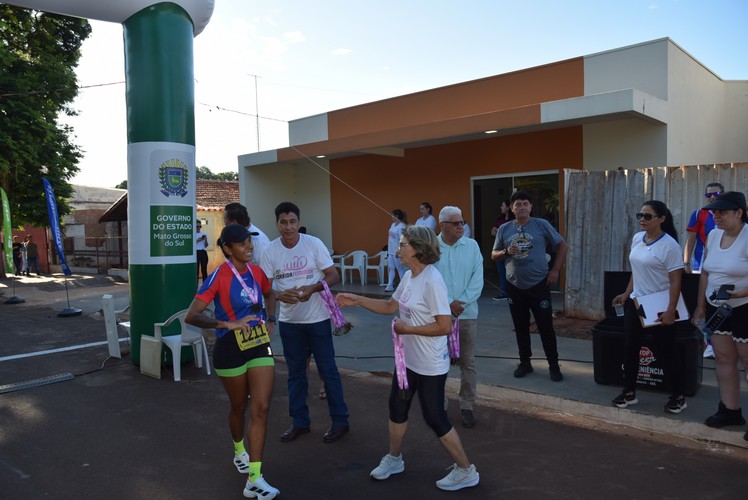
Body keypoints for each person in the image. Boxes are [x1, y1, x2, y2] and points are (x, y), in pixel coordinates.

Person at [336, 225, 480, 492]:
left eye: (402, 245)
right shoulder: (410, 276)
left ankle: (466, 470)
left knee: (435, 417)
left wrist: (408, 328)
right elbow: (391, 306)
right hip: (408, 363)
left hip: (430, 365)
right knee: (397, 408)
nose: (398, 249)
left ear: (417, 249)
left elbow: (445, 326)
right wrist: (356, 299)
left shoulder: (432, 280)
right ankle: (394, 459)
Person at [184, 224, 279, 499]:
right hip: (229, 348)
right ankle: (239, 449)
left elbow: (271, 293)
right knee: (239, 406)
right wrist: (228, 323)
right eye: (242, 243)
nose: (249, 246)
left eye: (250, 242)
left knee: (261, 408)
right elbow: (192, 315)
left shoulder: (257, 272)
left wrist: (271, 319)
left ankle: (255, 478)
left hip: (259, 344)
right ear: (227, 248)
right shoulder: (218, 277)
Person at [260, 202, 350, 444]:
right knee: (296, 374)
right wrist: (277, 300)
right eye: (283, 222)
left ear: (298, 222)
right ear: (277, 223)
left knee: (328, 371)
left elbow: (333, 275)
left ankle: (340, 421)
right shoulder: (270, 251)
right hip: (290, 323)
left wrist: (314, 288)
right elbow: (266, 288)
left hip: (318, 320)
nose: (288, 227)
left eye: (292, 222)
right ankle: (300, 422)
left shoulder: (313, 244)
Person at [611, 200, 687, 414]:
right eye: (640, 215)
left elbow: (675, 281)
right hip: (637, 304)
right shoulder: (638, 238)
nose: (642, 220)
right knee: (630, 349)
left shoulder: (670, 246)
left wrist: (671, 310)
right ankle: (629, 392)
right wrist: (626, 294)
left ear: (661, 219)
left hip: (660, 307)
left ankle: (679, 396)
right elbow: (637, 271)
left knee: (667, 351)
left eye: (647, 216)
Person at [491, 191, 568, 381]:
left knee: (545, 327)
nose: (522, 207)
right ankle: (525, 363)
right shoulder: (505, 228)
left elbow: (563, 245)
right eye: (518, 204)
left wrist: (555, 270)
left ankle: (553, 365)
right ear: (512, 208)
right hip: (514, 286)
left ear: (531, 207)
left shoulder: (541, 225)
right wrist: (506, 251)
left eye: (525, 204)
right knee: (520, 326)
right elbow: (494, 254)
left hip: (539, 284)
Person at [692, 191, 748, 435]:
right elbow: (706, 271)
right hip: (718, 307)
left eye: (722, 212)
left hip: (744, 307)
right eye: (714, 212)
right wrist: (701, 305)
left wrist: (742, 293)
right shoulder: (713, 235)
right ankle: (730, 410)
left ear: (739, 212)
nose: (716, 216)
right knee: (724, 358)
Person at [433, 206, 484, 428]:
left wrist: (459, 303)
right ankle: (439, 406)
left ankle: (467, 406)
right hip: (439, 317)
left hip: (466, 314)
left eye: (462, 222)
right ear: (443, 225)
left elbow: (477, 279)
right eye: (456, 223)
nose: (461, 226)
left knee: (468, 363)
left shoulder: (472, 246)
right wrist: (447, 305)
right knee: (437, 363)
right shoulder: (431, 248)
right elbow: (427, 281)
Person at [684, 182, 724, 359]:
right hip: (702, 265)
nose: (712, 197)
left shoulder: (730, 214)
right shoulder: (699, 214)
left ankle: (725, 342)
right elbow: (691, 239)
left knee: (723, 306)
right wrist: (686, 262)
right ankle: (709, 343)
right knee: (703, 306)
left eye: (715, 194)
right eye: (708, 195)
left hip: (725, 268)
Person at [224, 202, 271, 266]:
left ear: (234, 222)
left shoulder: (259, 241)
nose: (224, 222)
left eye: (225, 219)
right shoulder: (235, 236)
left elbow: (264, 270)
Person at [491, 200, 513, 301]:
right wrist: (502, 235)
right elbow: (492, 232)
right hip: (500, 250)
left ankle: (512, 292)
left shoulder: (513, 221)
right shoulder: (500, 220)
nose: (501, 207)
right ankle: (504, 292)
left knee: (511, 271)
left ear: (508, 207)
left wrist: (500, 233)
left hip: (512, 251)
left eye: (503, 205)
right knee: (501, 271)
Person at [385, 209, 408, 293]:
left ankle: (403, 287)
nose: (391, 216)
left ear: (397, 216)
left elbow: (403, 239)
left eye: (392, 215)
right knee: (391, 268)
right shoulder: (393, 225)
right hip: (390, 251)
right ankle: (389, 285)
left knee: (400, 269)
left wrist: (400, 250)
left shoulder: (402, 226)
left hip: (397, 251)